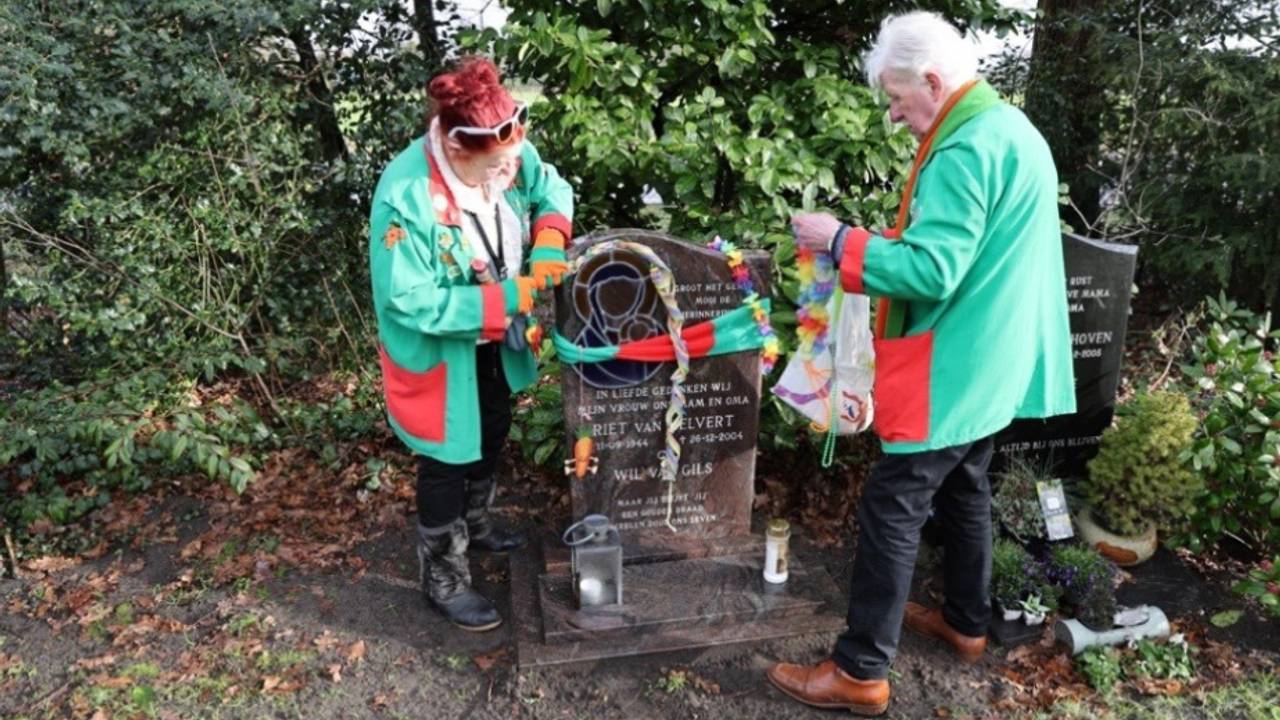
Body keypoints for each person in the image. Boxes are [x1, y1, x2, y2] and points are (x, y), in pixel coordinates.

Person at [767, 11, 1075, 716]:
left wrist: (840, 239)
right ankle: (968, 622)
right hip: (995, 359)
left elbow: (933, 270)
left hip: (957, 363)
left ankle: (859, 670)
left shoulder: (965, 147)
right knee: (967, 486)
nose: (898, 117)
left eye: (900, 101)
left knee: (894, 503)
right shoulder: (1011, 128)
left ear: (934, 83)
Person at [368, 57, 574, 632]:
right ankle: (444, 576)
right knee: (445, 458)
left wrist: (551, 238)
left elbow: (548, 182)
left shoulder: (502, 146)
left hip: (495, 340)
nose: (506, 174)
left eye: (509, 164)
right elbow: (406, 300)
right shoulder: (404, 195)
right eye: (494, 169)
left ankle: (476, 525)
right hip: (440, 349)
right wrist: (506, 300)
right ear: (456, 149)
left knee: (493, 426)